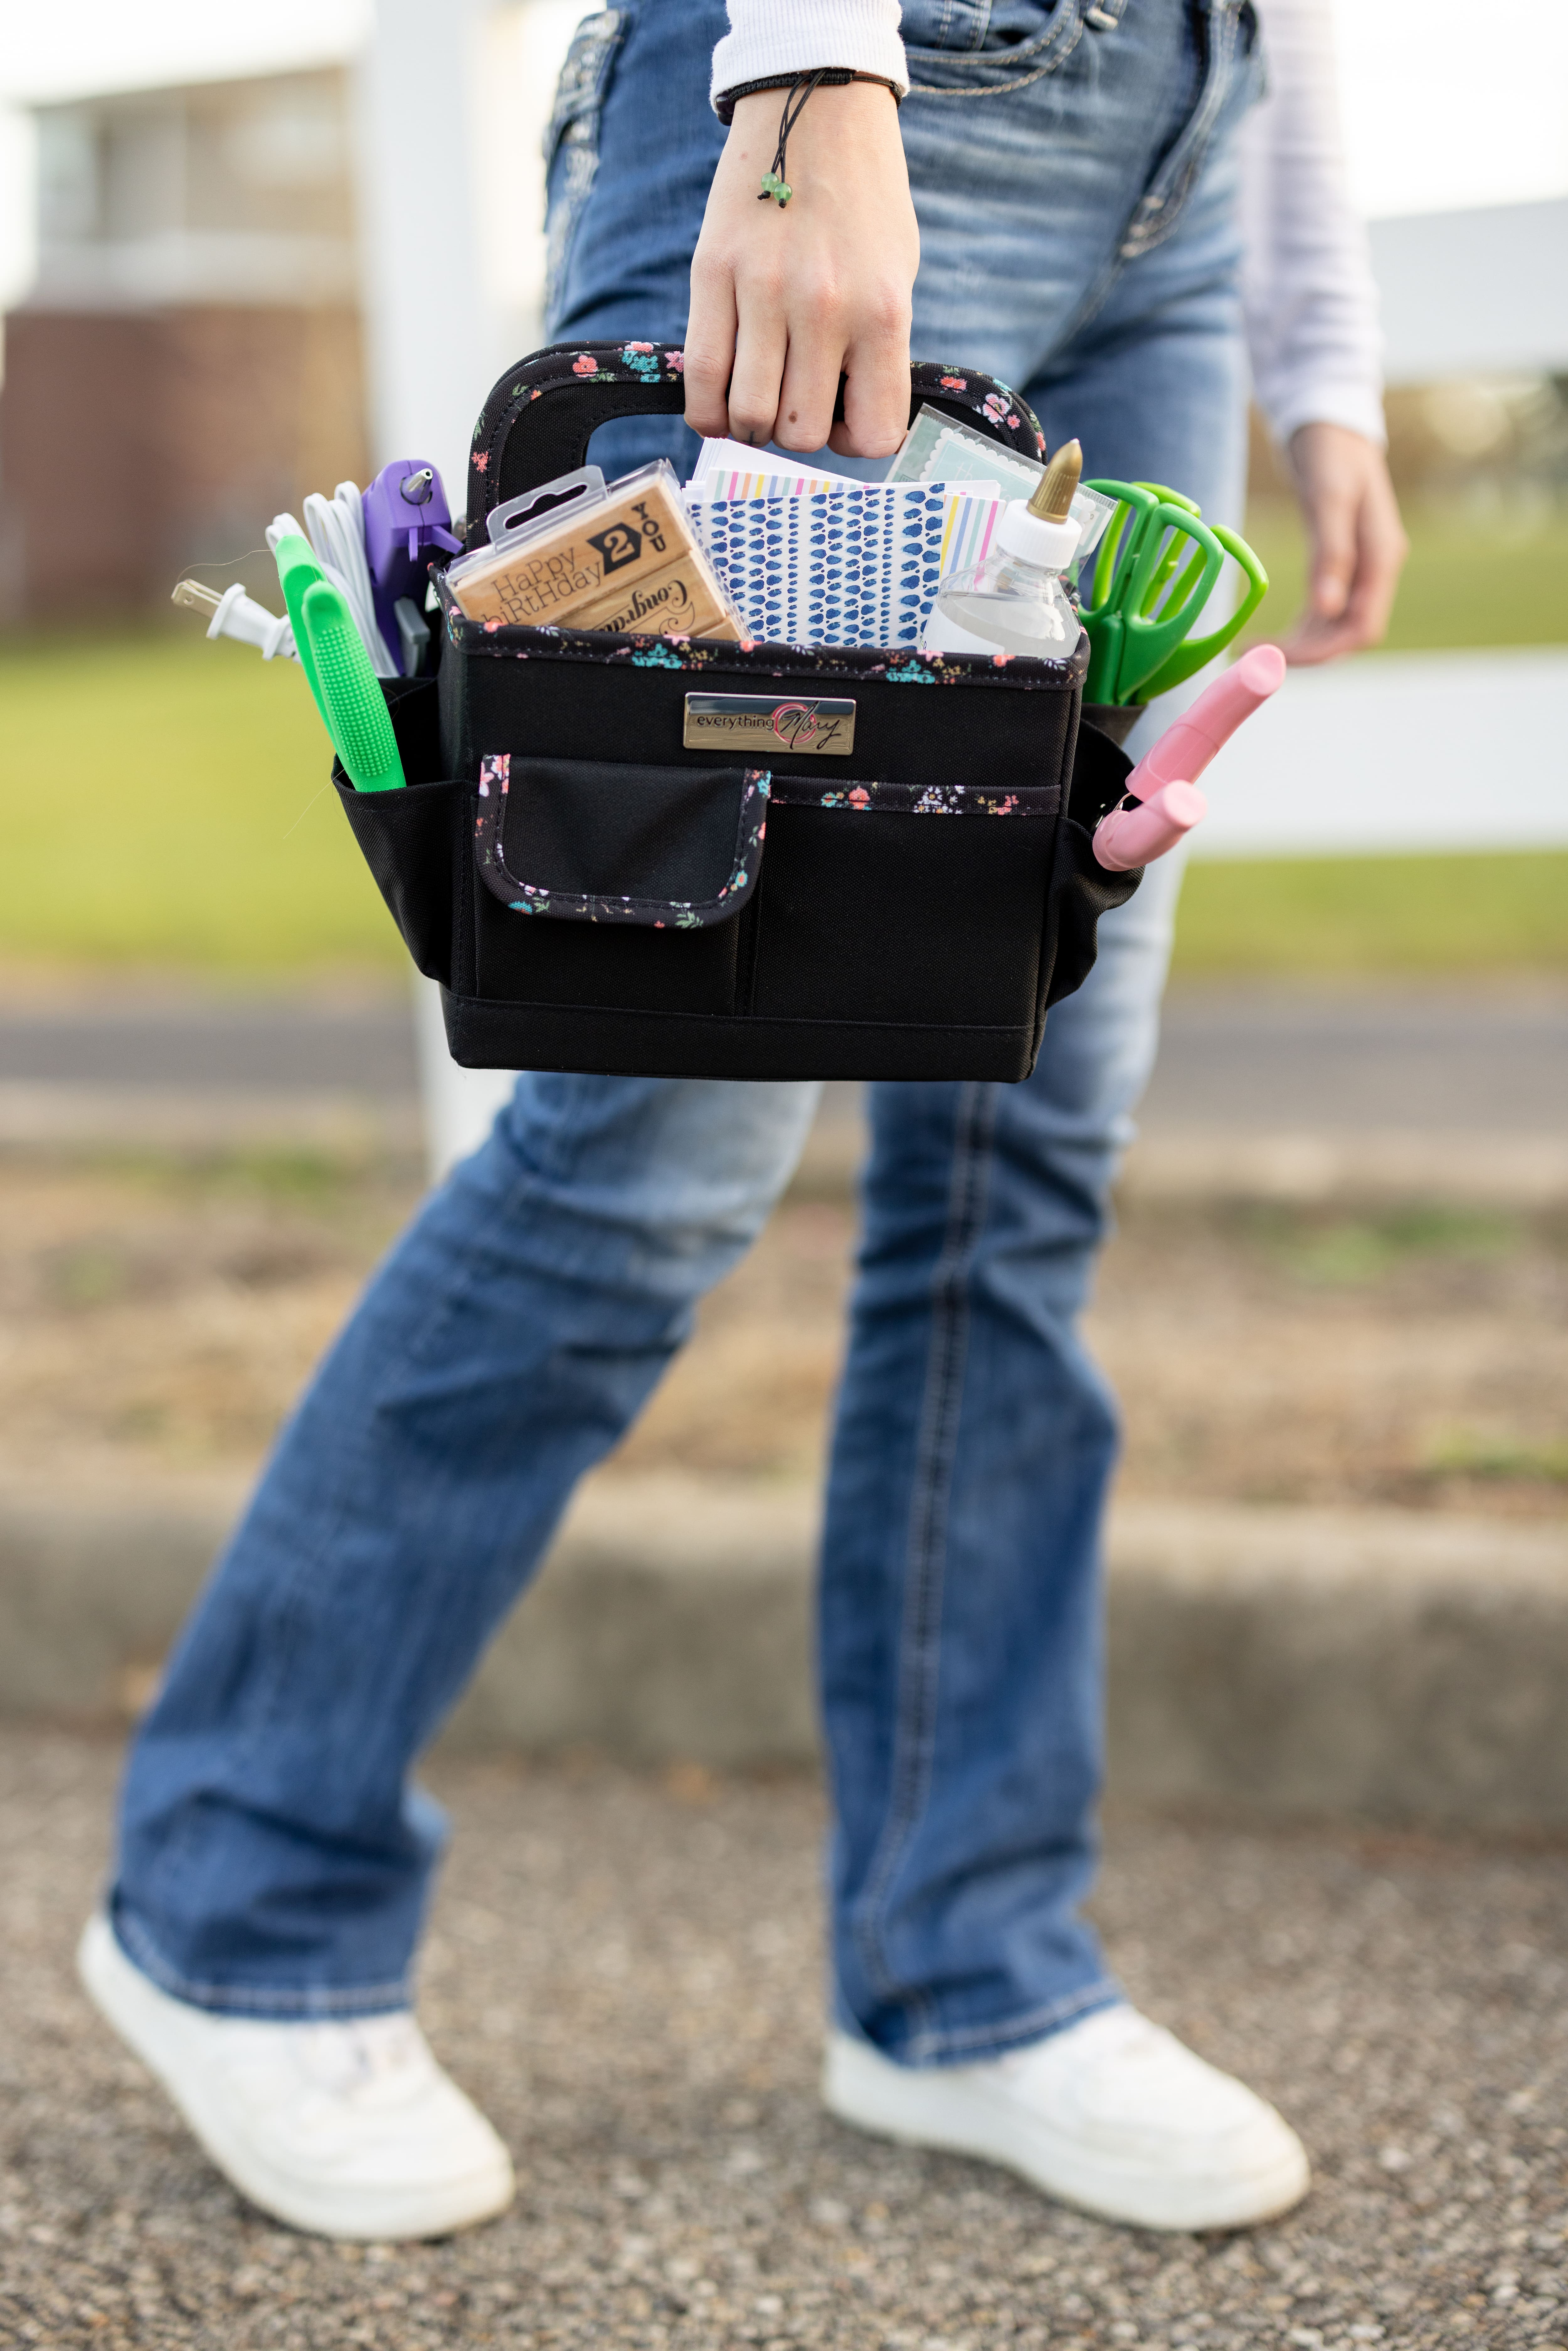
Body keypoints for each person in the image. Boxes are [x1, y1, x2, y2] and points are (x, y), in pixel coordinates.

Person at [78, 0, 1406, 2247]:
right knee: (644, 1146)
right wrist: (808, 81)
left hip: (1183, 150)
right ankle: (240, 1904)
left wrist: (1321, 339)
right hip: (880, 96)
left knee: (1026, 1124)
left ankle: (962, 1966)